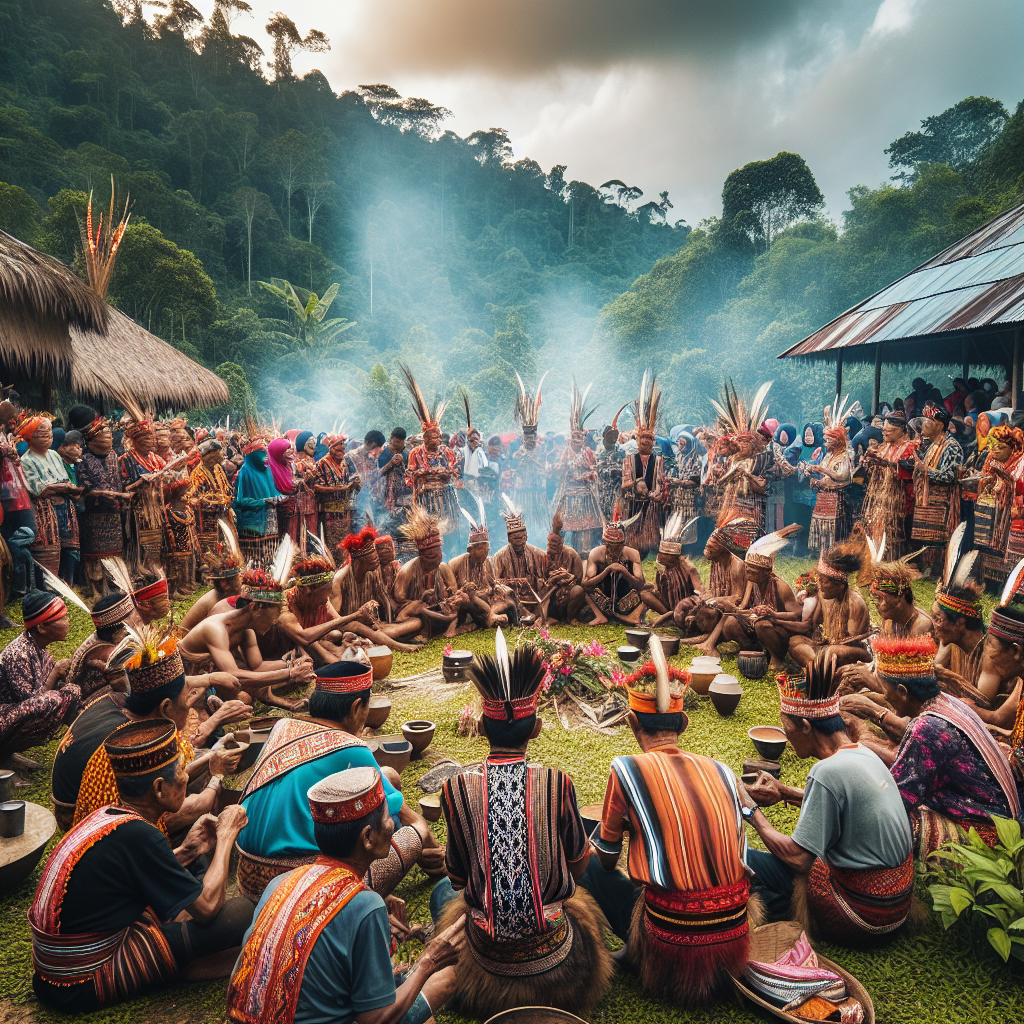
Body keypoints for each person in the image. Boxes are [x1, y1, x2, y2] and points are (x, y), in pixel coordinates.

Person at [433, 634, 612, 1018]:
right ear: (537, 729)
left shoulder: (455, 790)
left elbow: (458, 879)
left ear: (482, 728)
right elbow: (579, 867)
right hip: (562, 969)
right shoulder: (557, 782)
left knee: (439, 898)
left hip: (484, 968)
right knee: (581, 902)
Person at [31, 720, 253, 1012]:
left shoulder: (109, 815)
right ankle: (182, 964)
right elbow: (209, 907)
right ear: (159, 788)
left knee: (201, 859)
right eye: (180, 773)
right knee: (242, 912)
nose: (186, 778)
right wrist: (226, 835)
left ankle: (183, 957)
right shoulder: (140, 834)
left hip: (55, 974)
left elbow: (130, 876)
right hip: (79, 981)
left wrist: (186, 851)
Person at [228, 767, 463, 1024]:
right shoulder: (365, 905)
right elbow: (375, 1020)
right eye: (388, 818)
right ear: (368, 838)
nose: (391, 824)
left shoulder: (280, 883)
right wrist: (428, 961)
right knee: (445, 979)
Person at [584, 648, 751, 1005]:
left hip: (673, 945)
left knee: (589, 867)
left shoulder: (626, 769)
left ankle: (634, 952)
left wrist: (624, 834)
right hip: (736, 936)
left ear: (631, 722)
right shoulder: (721, 769)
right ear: (684, 724)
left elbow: (609, 860)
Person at [742, 655, 915, 946]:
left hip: (861, 916)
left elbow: (799, 858)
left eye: (788, 726)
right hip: (895, 908)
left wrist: (749, 808)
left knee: (744, 859)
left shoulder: (826, 771)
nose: (786, 734)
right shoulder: (863, 752)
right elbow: (847, 807)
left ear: (807, 726)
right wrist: (784, 791)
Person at [235, 660, 442, 901]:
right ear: (356, 707)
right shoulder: (349, 746)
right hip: (301, 888)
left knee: (387, 776)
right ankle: (365, 893)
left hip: (248, 876)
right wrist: (429, 845)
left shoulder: (283, 727)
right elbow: (405, 815)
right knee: (412, 827)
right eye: (367, 705)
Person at [72, 629, 244, 832]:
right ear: (165, 708)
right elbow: (172, 817)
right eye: (187, 702)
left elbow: (174, 772)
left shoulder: (141, 722)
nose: (190, 709)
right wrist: (217, 776)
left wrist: (214, 754)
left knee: (204, 757)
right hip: (120, 838)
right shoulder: (141, 747)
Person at [876, 636, 1020, 856]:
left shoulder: (928, 728)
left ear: (903, 692)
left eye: (885, 690)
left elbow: (897, 797)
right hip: (1006, 813)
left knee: (889, 822)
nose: (885, 696)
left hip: (993, 833)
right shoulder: (947, 701)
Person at [178, 567, 316, 710]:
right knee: (243, 697)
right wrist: (290, 674)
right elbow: (234, 676)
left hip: (210, 681)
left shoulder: (246, 631)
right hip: (186, 684)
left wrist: (291, 664)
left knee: (245, 695)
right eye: (275, 612)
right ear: (254, 607)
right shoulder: (215, 629)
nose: (275, 621)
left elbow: (257, 666)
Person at [0, 590, 80, 771]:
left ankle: (81, 741)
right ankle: (3, 756)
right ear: (42, 627)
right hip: (5, 716)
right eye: (62, 618)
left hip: (14, 713)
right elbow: (33, 703)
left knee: (70, 691)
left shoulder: (38, 648)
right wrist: (56, 672)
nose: (67, 622)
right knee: (54, 700)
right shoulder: (18, 654)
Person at [398, 364, 463, 558]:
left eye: (437, 436)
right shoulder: (416, 453)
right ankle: (430, 556)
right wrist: (425, 474)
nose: (435, 440)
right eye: (431, 437)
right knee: (429, 530)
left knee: (449, 529)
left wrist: (446, 473)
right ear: (424, 438)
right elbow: (409, 476)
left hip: (446, 496)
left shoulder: (447, 452)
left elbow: (454, 472)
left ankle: (451, 554)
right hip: (426, 498)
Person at [718, 527, 804, 671]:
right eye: (747, 569)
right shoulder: (753, 582)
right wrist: (738, 611)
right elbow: (746, 607)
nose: (748, 573)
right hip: (758, 622)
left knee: (761, 625)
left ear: (765, 573)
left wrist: (773, 615)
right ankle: (753, 650)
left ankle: (777, 659)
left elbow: (797, 614)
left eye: (753, 571)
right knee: (730, 622)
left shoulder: (781, 587)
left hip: (780, 629)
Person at [331, 524, 424, 649]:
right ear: (360, 560)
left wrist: (395, 618)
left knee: (416, 622)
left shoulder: (373, 572)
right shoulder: (339, 580)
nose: (377, 559)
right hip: (349, 628)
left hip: (372, 627)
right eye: (372, 557)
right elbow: (335, 620)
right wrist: (357, 617)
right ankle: (397, 645)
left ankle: (379, 639)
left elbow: (384, 599)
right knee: (357, 627)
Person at [70, 407, 127, 600]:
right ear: (92, 440)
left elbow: (117, 480)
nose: (109, 440)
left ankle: (114, 583)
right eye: (105, 437)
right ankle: (95, 588)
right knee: (95, 553)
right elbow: (85, 488)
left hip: (113, 512)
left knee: (114, 551)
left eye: (111, 437)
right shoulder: (84, 459)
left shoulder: (113, 457)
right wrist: (106, 494)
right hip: (93, 514)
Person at [788, 539, 871, 670]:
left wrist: (829, 645)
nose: (819, 585)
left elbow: (852, 642)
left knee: (833, 651)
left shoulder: (854, 603)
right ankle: (817, 667)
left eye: (824, 582)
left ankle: (817, 669)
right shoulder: (823, 594)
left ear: (839, 585)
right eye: (819, 580)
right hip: (828, 647)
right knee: (795, 641)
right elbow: (814, 624)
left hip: (851, 652)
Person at [19, 415, 82, 580]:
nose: (47, 438)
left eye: (49, 434)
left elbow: (63, 479)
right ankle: (51, 590)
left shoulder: (54, 454)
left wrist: (62, 486)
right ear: (29, 438)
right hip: (44, 513)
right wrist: (60, 487)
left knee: (70, 550)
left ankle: (69, 587)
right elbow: (37, 489)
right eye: (42, 434)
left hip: (65, 509)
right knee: (47, 556)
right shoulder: (26, 460)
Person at [393, 506, 465, 639]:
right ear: (420, 554)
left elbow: (454, 590)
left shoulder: (443, 567)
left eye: (437, 556)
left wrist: (453, 597)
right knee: (417, 609)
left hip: (441, 609)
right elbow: (399, 598)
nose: (434, 560)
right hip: (419, 613)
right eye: (429, 557)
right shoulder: (408, 570)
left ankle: (451, 628)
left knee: (463, 599)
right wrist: (421, 600)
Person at [552, 379, 603, 553]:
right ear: (570, 438)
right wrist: (564, 469)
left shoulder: (588, 452)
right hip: (570, 496)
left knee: (586, 528)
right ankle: (565, 554)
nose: (578, 441)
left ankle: (585, 554)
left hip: (586, 496)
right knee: (566, 527)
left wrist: (590, 475)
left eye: (580, 438)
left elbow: (595, 470)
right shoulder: (565, 452)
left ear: (583, 438)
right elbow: (559, 471)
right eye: (575, 438)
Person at [62, 590, 134, 710]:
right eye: (131, 618)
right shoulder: (109, 653)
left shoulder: (100, 638)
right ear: (119, 631)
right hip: (88, 708)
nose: (136, 620)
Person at [911, 403, 963, 563]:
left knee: (939, 538)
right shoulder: (932, 445)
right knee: (928, 537)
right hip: (929, 499)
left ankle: (937, 568)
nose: (923, 424)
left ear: (940, 425)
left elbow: (950, 477)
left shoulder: (951, 447)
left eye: (928, 420)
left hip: (943, 503)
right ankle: (928, 566)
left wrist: (925, 470)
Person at [620, 374, 666, 556]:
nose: (645, 441)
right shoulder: (629, 459)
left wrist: (655, 494)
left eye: (649, 438)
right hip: (632, 503)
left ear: (653, 441)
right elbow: (624, 484)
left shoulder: (659, 460)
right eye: (642, 438)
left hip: (650, 505)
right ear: (637, 440)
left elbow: (661, 483)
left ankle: (647, 547)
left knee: (647, 540)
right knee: (632, 538)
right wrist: (635, 483)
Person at [859, 411, 916, 556]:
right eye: (884, 429)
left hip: (899, 499)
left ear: (901, 430)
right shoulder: (884, 446)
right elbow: (872, 470)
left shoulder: (911, 447)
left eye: (889, 430)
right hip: (879, 497)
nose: (884, 432)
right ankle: (876, 555)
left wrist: (886, 464)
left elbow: (910, 471)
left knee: (895, 530)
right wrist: (868, 461)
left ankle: (894, 559)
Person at [277, 554, 353, 664]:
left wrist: (350, 636)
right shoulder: (284, 604)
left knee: (336, 634)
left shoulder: (322, 600)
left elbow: (339, 623)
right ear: (307, 590)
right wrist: (355, 616)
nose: (330, 594)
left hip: (309, 647)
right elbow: (304, 638)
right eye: (326, 589)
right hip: (285, 656)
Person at [974, 423, 1024, 586]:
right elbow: (983, 479)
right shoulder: (990, 460)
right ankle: (988, 581)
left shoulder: (1020, 463)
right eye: (992, 446)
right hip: (991, 512)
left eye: (1000, 447)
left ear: (1012, 447)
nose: (994, 450)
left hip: (1011, 515)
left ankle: (1009, 584)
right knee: (986, 547)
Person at [448, 511, 514, 629]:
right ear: (471, 549)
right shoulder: (456, 563)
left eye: (486, 548)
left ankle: (495, 616)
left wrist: (495, 590)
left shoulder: (488, 561)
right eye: (480, 549)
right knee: (470, 596)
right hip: (466, 602)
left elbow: (493, 584)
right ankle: (490, 617)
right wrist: (464, 590)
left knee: (508, 599)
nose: (484, 552)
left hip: (486, 600)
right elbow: (452, 590)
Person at [119, 414, 168, 568]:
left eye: (152, 437)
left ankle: (157, 573)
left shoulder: (157, 459)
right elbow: (122, 489)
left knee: (157, 545)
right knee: (141, 547)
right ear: (135, 440)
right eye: (147, 438)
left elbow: (166, 482)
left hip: (156, 509)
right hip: (137, 512)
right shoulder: (125, 460)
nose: (152, 441)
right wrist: (139, 484)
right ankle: (141, 573)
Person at [805, 401, 854, 553]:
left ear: (837, 442)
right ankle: (823, 555)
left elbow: (842, 476)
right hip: (824, 496)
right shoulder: (827, 456)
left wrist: (822, 469)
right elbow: (824, 474)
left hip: (836, 498)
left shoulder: (844, 456)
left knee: (835, 530)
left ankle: (835, 555)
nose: (826, 443)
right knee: (823, 530)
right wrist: (815, 478)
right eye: (825, 440)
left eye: (828, 440)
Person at [491, 498, 547, 625]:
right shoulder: (499, 556)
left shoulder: (538, 553)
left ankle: (539, 616)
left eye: (523, 537)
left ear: (527, 536)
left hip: (535, 597)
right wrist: (515, 582)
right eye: (516, 538)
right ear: (509, 538)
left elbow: (545, 577)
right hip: (511, 600)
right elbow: (495, 582)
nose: (520, 541)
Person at [642, 512, 702, 628]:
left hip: (685, 607)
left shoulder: (689, 569)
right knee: (644, 593)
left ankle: (673, 618)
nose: (659, 559)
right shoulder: (663, 570)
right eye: (660, 556)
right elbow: (660, 591)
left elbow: (699, 593)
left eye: (664, 557)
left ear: (674, 557)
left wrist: (687, 605)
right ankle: (669, 616)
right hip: (668, 607)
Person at [582, 517, 645, 625]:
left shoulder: (632, 554)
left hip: (626, 600)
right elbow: (585, 583)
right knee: (583, 591)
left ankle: (634, 616)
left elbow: (640, 584)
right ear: (605, 543)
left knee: (647, 592)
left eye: (616, 547)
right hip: (603, 599)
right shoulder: (596, 553)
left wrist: (624, 572)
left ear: (622, 545)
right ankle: (600, 616)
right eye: (609, 546)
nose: (612, 550)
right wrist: (606, 571)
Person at [233, 436, 283, 568]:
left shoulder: (268, 470)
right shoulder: (244, 472)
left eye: (266, 451)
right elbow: (239, 500)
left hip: (270, 519)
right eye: (261, 451)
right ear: (252, 454)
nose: (265, 454)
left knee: (271, 555)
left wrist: (281, 497)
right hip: (252, 524)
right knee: (255, 561)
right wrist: (264, 502)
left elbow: (274, 490)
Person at [512, 374, 552, 539]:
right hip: (523, 493)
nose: (530, 438)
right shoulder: (518, 453)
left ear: (536, 435)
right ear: (523, 435)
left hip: (538, 492)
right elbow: (512, 471)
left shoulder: (542, 451)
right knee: (523, 524)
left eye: (532, 434)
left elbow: (547, 469)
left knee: (541, 525)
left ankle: (541, 541)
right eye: (527, 435)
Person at [537, 512, 586, 625]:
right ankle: (545, 618)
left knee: (578, 591)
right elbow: (540, 578)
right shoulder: (543, 557)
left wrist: (567, 577)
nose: (551, 549)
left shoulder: (571, 554)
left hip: (568, 590)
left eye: (555, 546)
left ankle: (570, 617)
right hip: (550, 592)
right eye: (550, 545)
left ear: (560, 545)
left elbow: (579, 578)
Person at [189, 438, 234, 559]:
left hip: (222, 516)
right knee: (209, 550)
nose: (216, 461)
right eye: (213, 459)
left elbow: (225, 489)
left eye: (217, 458)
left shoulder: (218, 469)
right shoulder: (197, 474)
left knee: (225, 549)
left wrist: (226, 499)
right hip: (207, 520)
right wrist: (216, 501)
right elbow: (198, 497)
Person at [315, 433, 361, 552]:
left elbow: (348, 484)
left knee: (345, 544)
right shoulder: (321, 463)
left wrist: (354, 485)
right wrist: (341, 489)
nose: (342, 448)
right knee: (333, 545)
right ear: (331, 448)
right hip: (330, 512)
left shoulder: (345, 463)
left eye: (343, 445)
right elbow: (316, 487)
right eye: (338, 445)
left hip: (345, 512)